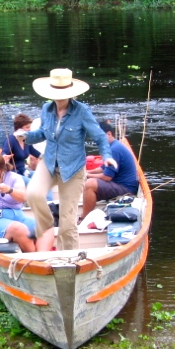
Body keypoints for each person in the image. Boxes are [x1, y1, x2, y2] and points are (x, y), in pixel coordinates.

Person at [18, 68, 117, 251]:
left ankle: (69, 258)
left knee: (67, 223)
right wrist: (26, 136)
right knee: (33, 194)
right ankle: (47, 225)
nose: (58, 96)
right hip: (48, 164)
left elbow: (100, 137)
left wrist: (107, 156)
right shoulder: (47, 109)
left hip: (73, 169)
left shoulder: (81, 111)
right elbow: (42, 134)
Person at [81, 121, 139, 220]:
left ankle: (84, 218)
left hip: (126, 188)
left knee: (90, 184)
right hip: (121, 184)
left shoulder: (114, 150)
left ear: (109, 134)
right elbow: (103, 168)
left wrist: (87, 176)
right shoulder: (114, 146)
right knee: (90, 180)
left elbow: (107, 177)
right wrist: (88, 172)